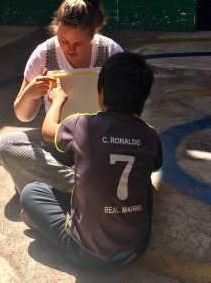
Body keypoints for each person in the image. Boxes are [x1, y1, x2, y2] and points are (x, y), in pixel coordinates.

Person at [20, 52, 163, 268]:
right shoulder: (151, 135)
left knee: (31, 192)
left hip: (88, 256)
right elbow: (156, 164)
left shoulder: (81, 125)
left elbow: (48, 131)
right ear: (143, 98)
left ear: (101, 93)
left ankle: (60, 227)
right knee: (146, 185)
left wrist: (57, 100)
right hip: (136, 249)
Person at [0, 0, 123, 193]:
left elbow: (126, 108)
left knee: (131, 145)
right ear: (56, 29)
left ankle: (54, 185)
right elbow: (24, 116)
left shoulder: (110, 52)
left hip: (100, 141)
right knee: (6, 147)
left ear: (94, 34)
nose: (69, 49)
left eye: (78, 44)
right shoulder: (44, 53)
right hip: (59, 141)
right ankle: (80, 186)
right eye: (63, 40)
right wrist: (31, 92)